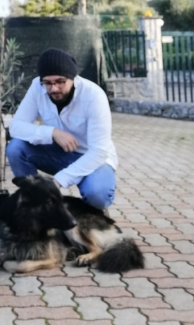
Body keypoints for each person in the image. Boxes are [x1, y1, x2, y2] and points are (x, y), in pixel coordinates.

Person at [6, 47, 117, 209]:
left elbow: (99, 151)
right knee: (15, 148)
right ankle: (37, 205)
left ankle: (95, 212)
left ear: (73, 78)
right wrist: (51, 132)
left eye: (60, 82)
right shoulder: (37, 87)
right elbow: (16, 127)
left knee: (97, 195)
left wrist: (58, 181)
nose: (54, 88)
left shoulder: (94, 96)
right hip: (58, 154)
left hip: (93, 159)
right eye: (48, 83)